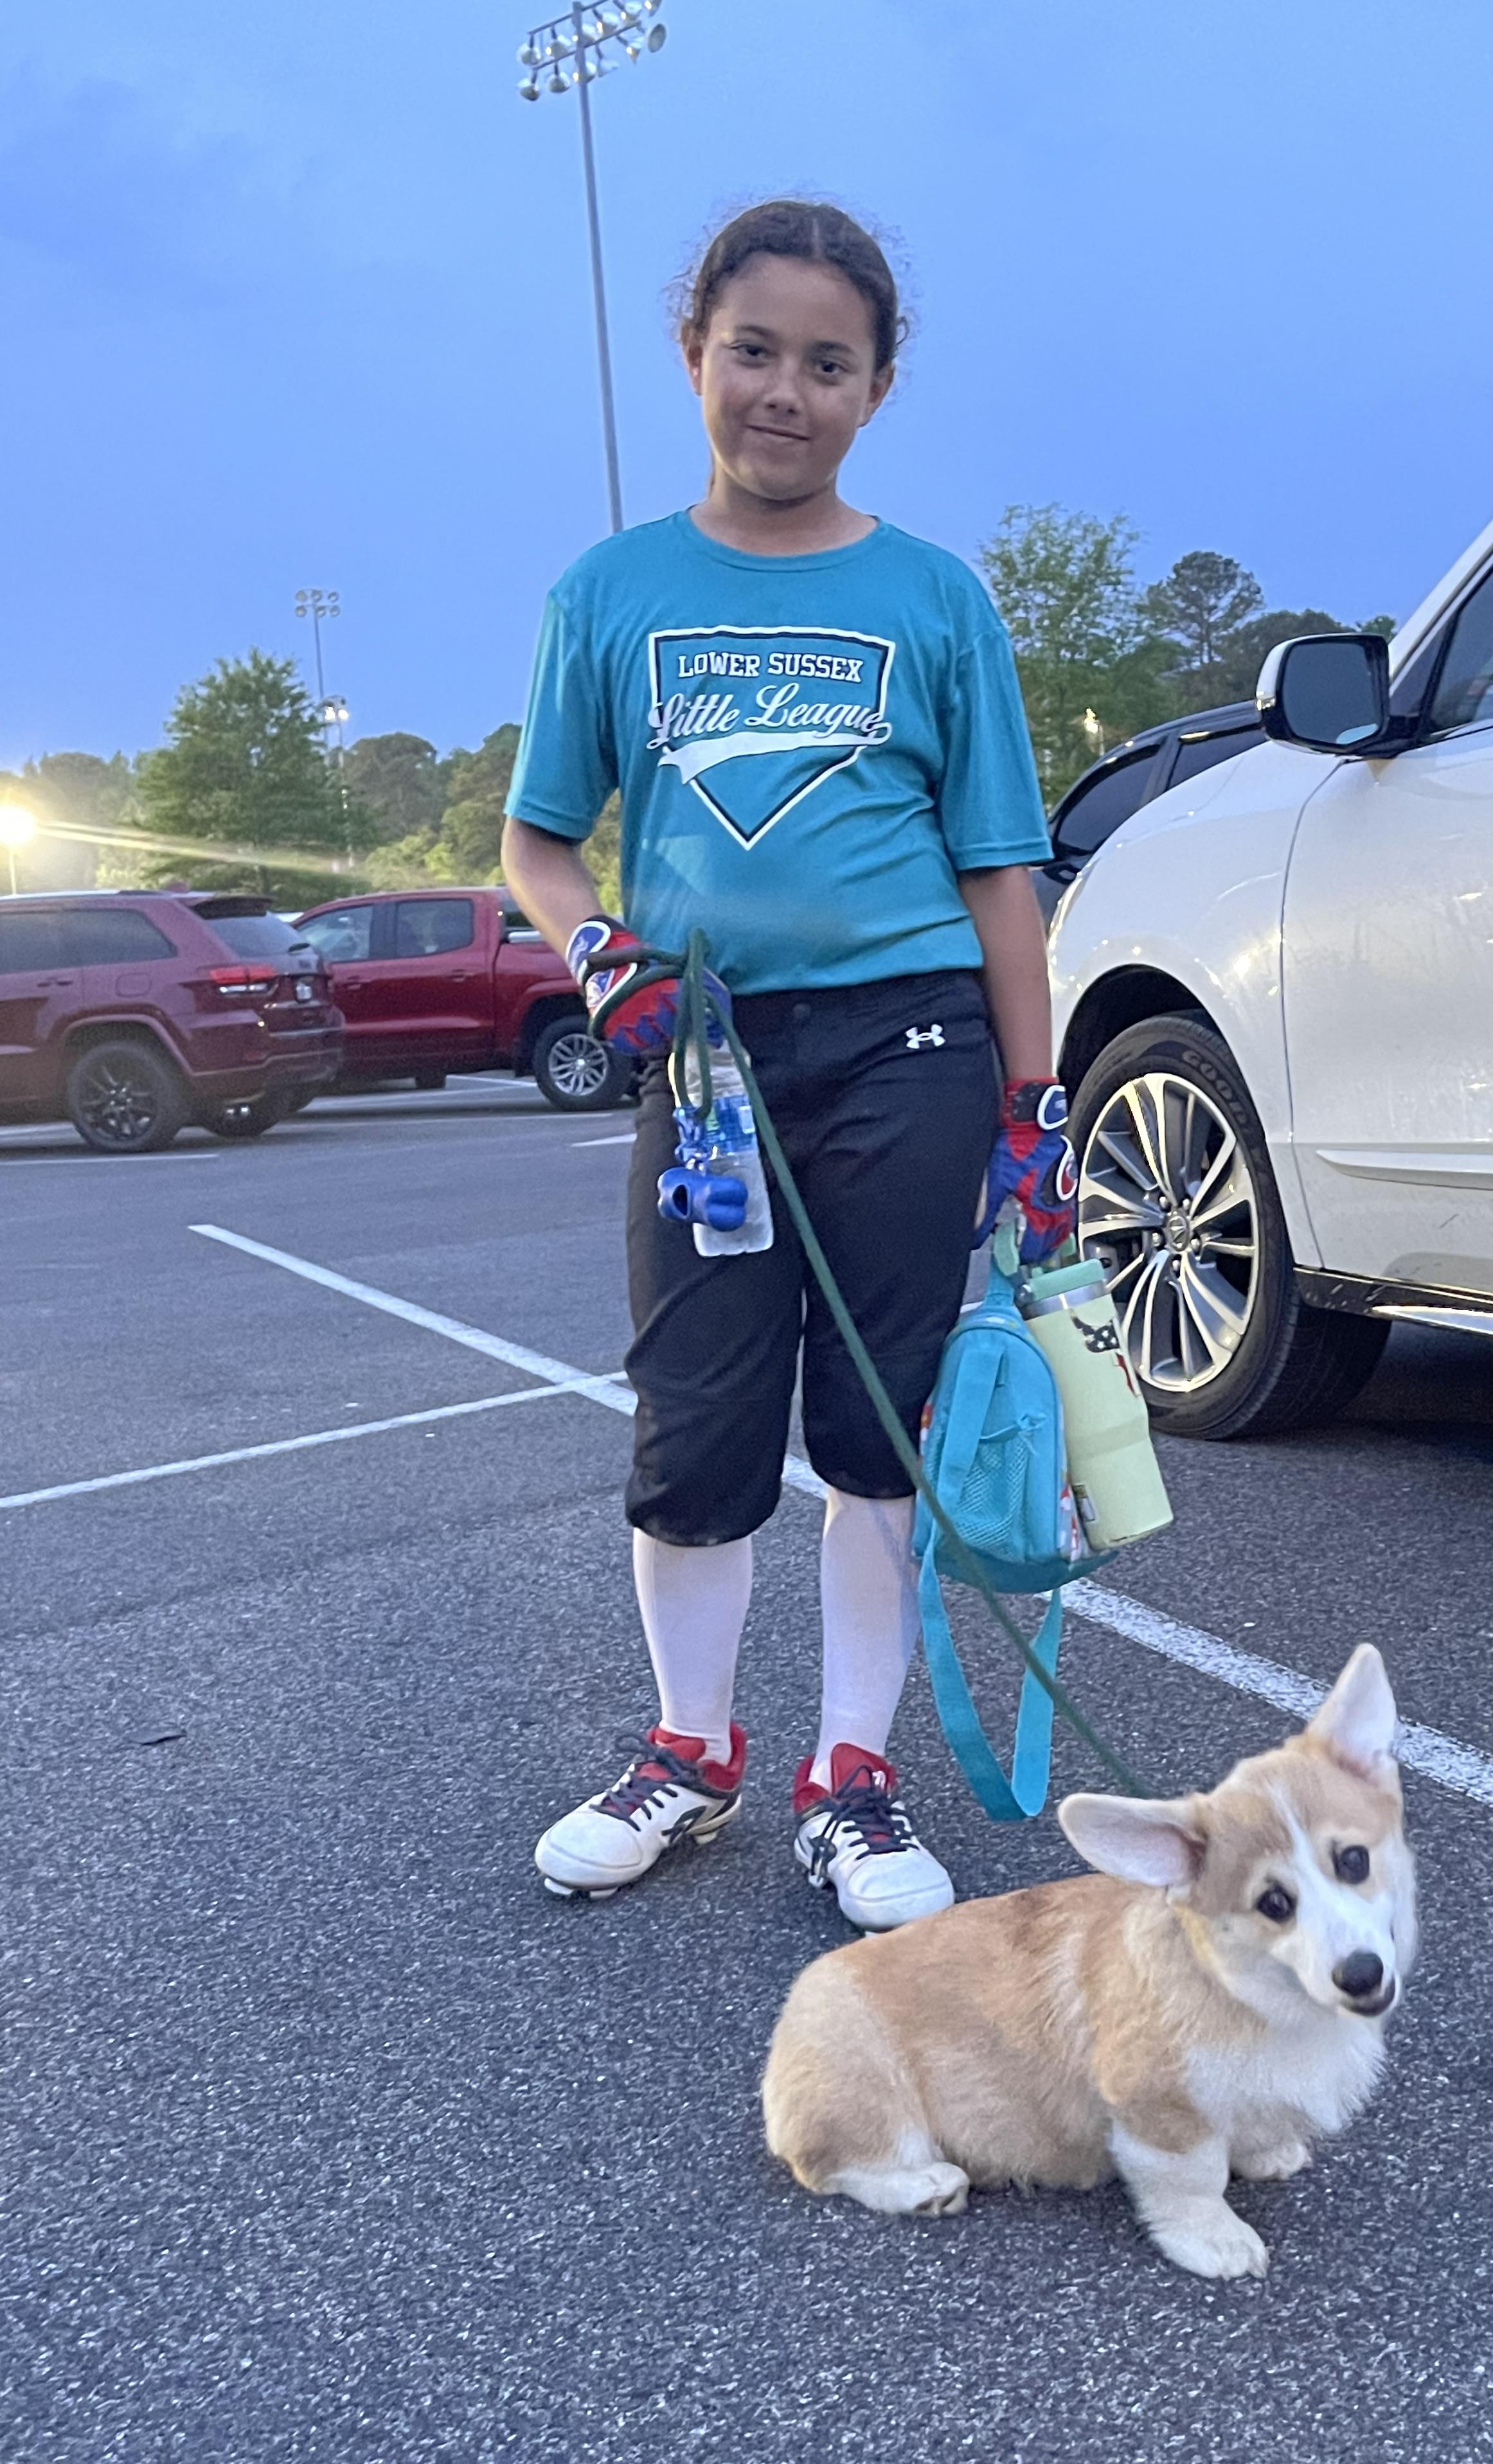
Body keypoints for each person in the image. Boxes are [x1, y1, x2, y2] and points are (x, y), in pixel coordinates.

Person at [503, 199, 1076, 1933]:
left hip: (911, 1044)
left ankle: (852, 1776)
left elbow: (1002, 873)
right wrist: (600, 956)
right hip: (704, 1069)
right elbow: (539, 844)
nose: (784, 391)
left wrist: (1036, 1107)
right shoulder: (609, 592)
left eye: (830, 363)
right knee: (695, 1426)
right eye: (752, 350)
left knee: (878, 1430)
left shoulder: (934, 598)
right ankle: (691, 1751)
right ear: (695, 355)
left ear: (877, 388)